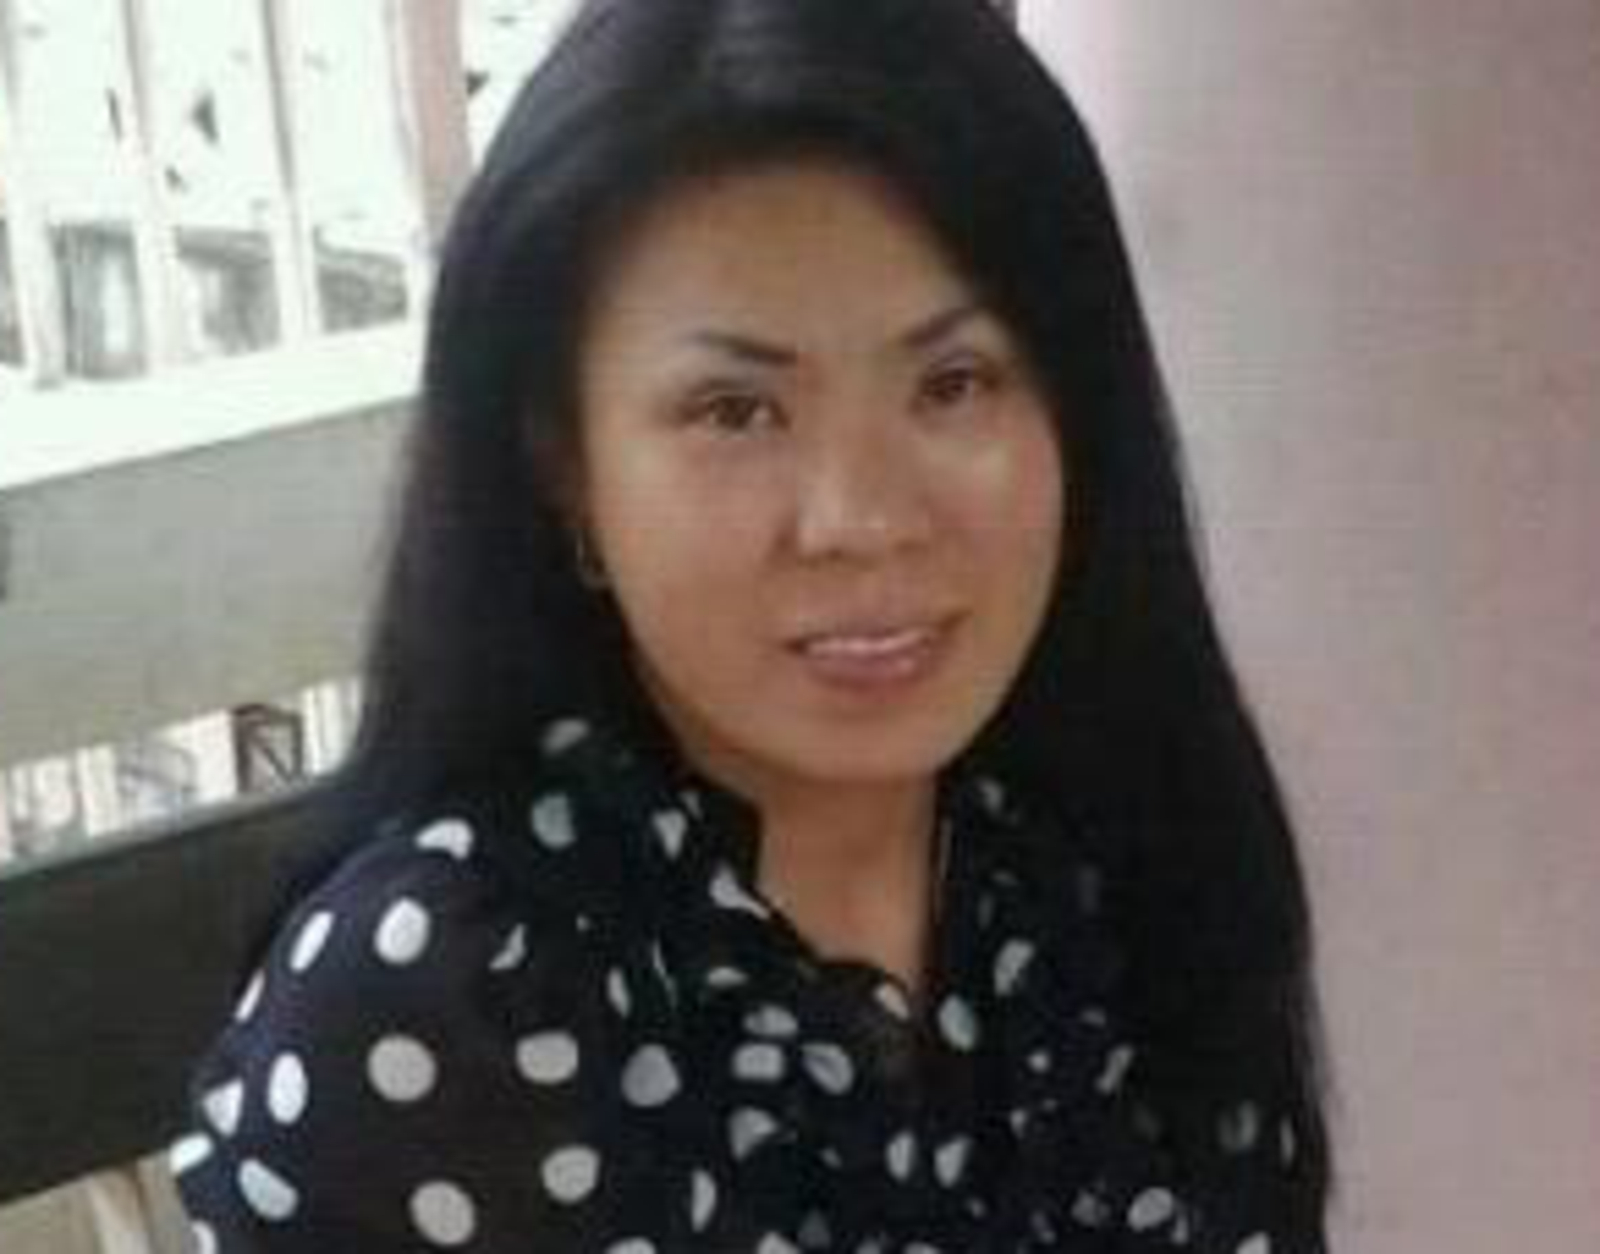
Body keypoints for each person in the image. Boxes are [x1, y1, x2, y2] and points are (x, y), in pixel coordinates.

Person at [168, 0, 1334, 1249]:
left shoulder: (1105, 850)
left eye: (954, 384)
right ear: (564, 465)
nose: (861, 520)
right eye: (735, 411)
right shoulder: (452, 1001)